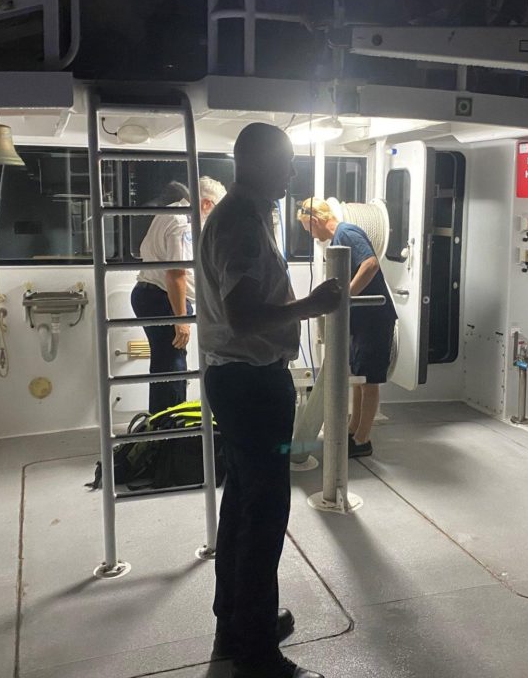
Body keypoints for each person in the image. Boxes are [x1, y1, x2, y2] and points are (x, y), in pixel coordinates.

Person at [199, 123, 341, 678]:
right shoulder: (240, 222)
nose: (292, 172)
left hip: (239, 381)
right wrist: (312, 306)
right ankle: (256, 653)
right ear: (254, 162)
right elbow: (243, 316)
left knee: (242, 503)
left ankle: (236, 621)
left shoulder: (249, 215)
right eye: (285, 161)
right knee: (264, 515)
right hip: (252, 385)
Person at [298, 198, 397, 458]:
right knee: (358, 378)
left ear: (315, 220)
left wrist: (345, 297)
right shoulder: (338, 238)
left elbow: (370, 264)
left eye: (309, 229)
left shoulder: (347, 232)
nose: (311, 235)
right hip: (361, 321)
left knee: (370, 380)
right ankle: (353, 429)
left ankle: (363, 440)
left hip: (374, 319)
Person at [132, 176, 226, 414]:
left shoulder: (171, 211)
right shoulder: (184, 222)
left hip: (150, 295)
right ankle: (172, 426)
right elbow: (176, 274)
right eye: (216, 210)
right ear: (206, 204)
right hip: (163, 299)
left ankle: (161, 423)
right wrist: (181, 319)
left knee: (164, 364)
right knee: (173, 366)